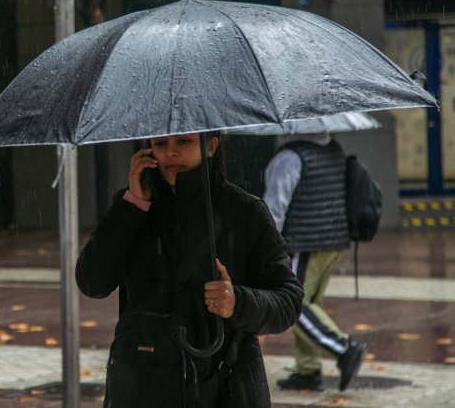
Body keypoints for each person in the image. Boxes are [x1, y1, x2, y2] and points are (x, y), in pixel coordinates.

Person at [76, 132, 303, 407]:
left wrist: (237, 302)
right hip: (143, 383)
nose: (170, 152)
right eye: (160, 143)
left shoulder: (245, 212)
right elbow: (91, 282)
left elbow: (288, 301)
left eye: (183, 142)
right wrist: (132, 205)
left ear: (210, 145)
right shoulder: (134, 209)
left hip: (224, 387)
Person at [264, 134, 368, 392]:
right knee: (311, 303)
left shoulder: (289, 158)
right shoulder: (334, 148)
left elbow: (274, 208)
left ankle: (343, 349)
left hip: (304, 241)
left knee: (295, 305)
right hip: (334, 240)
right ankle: (308, 370)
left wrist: (265, 244)